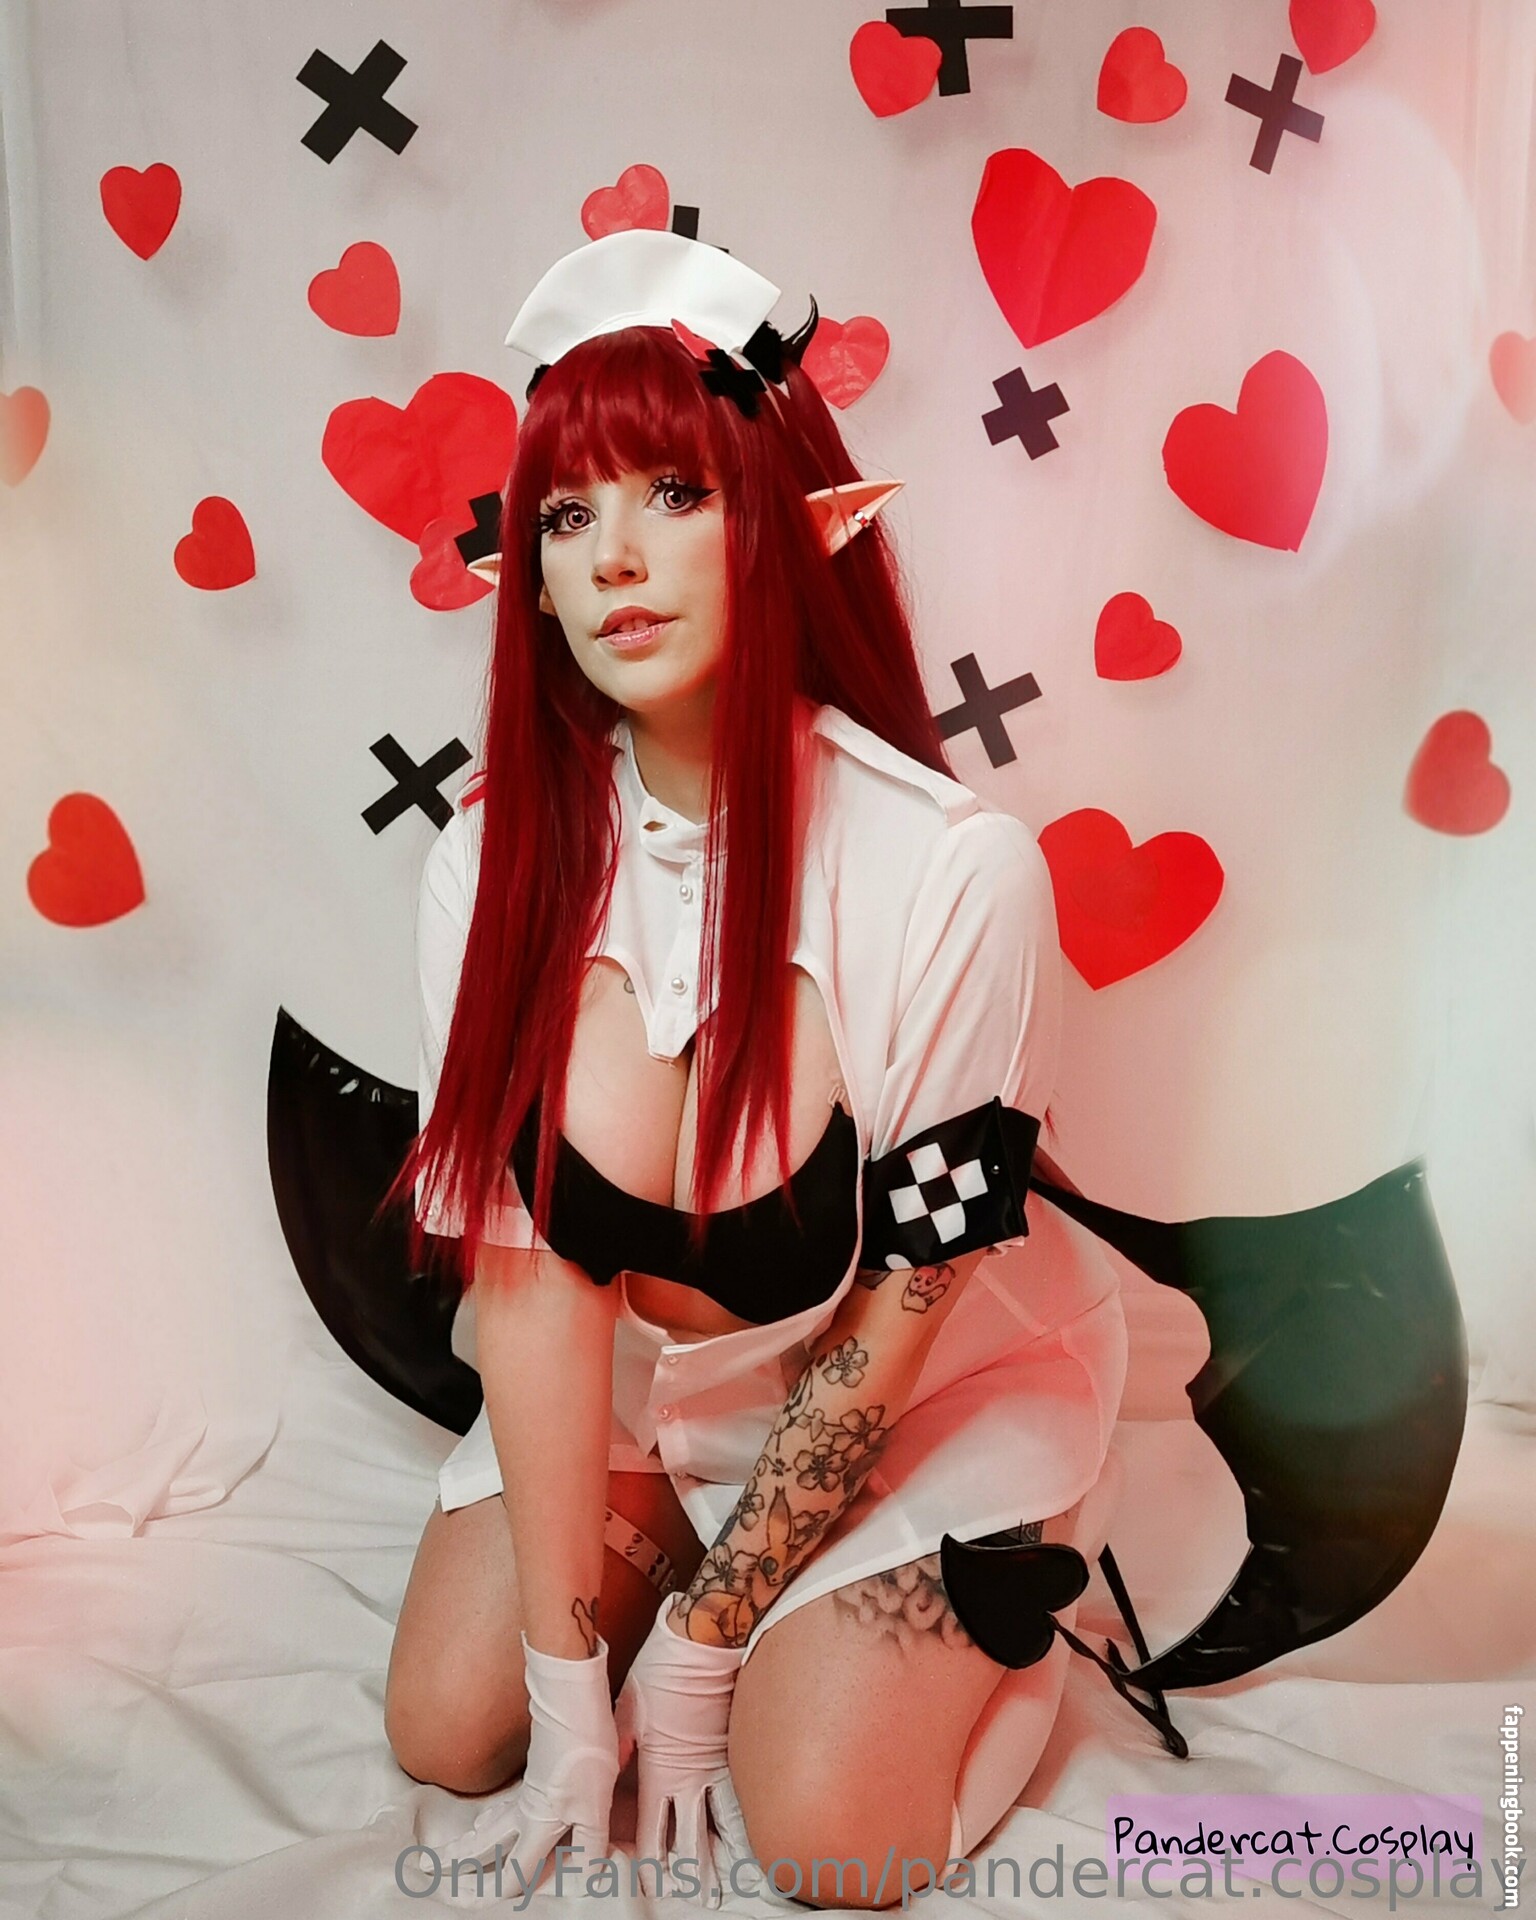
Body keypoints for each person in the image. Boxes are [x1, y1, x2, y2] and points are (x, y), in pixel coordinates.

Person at [379, 229, 1128, 1910]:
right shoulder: (487, 872)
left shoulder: (954, 873)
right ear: (533, 576)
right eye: (568, 515)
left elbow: (909, 1309)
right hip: (658, 1411)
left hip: (922, 1403)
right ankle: (682, 1589)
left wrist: (709, 1639)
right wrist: (573, 1696)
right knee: (449, 1724)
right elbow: (533, 1284)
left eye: (675, 494)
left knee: (830, 1835)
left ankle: (1024, 1599)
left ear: (789, 525)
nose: (614, 559)